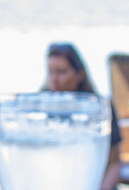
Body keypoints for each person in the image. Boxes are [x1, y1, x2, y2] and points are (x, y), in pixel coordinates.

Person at [44, 43, 121, 190]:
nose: (54, 79)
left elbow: (114, 163)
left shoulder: (101, 109)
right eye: (50, 72)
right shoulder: (41, 112)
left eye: (61, 72)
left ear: (79, 74)